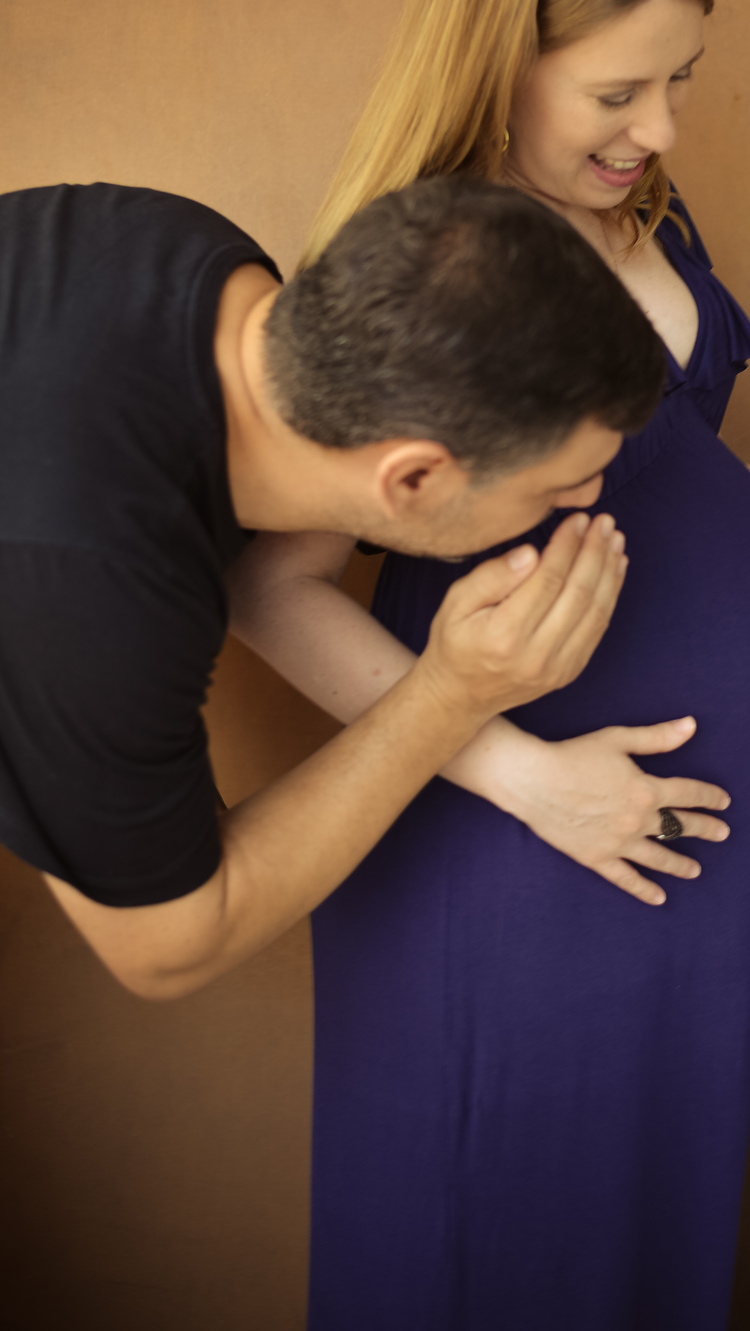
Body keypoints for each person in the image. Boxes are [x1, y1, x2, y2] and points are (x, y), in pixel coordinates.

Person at [230, 0, 750, 1331]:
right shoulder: (420, 261)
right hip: (516, 834)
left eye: (682, 79)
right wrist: (525, 779)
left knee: (634, 1253)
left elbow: (692, 490)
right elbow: (270, 586)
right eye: (618, 92)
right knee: (484, 1250)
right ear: (504, 56)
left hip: (674, 866)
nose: (660, 126)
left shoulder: (653, 216)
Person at [0, 175, 662, 999]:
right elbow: (168, 946)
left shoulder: (195, 255)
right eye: (557, 484)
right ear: (413, 477)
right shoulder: (89, 584)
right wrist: (450, 695)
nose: (588, 500)